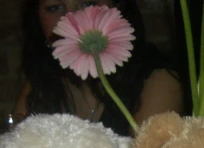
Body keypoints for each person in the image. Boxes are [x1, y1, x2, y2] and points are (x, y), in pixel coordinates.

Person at [14, 0, 184, 136]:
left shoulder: (158, 81)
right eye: (54, 7)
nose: (71, 20)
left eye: (88, 4)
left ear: (117, 6)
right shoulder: (39, 86)